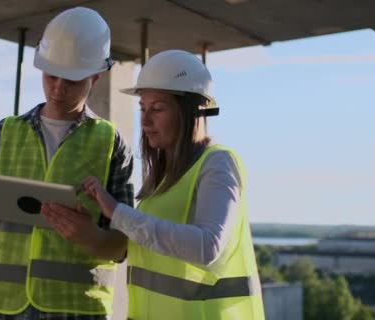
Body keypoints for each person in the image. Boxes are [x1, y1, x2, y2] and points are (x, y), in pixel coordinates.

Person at [42, 50, 265, 319]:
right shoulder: (160, 180)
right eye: (143, 109)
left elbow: (207, 247)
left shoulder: (218, 164)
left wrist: (119, 213)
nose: (145, 121)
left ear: (192, 110)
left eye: (157, 108)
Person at [0, 7, 134, 320]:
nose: (58, 88)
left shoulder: (111, 144)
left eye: (71, 80)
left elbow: (122, 246)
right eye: (51, 76)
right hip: (0, 307)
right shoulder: (4, 133)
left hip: (76, 309)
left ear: (95, 75)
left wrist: (90, 235)